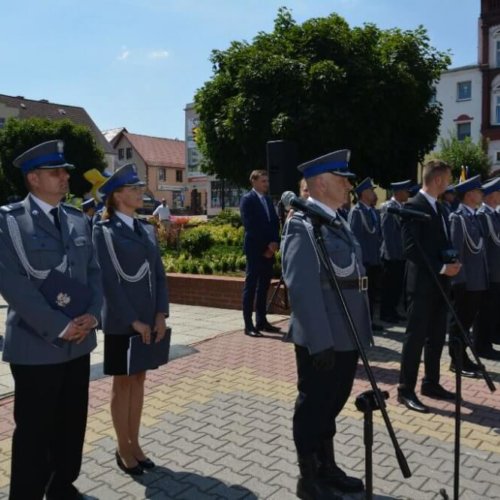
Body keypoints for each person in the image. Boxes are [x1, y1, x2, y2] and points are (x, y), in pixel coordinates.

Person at [0, 140, 102, 500]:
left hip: (79, 344)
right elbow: (13, 285)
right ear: (33, 179)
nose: (64, 178)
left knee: (72, 424)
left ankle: (62, 486)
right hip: (36, 345)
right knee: (34, 431)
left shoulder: (76, 218)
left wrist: (94, 314)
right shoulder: (9, 222)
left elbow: (94, 272)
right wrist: (60, 326)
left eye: (65, 172)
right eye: (55, 172)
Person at [281, 149, 372, 499]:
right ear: (320, 183)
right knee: (313, 407)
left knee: (332, 405)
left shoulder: (336, 220)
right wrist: (319, 342)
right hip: (323, 336)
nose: (349, 185)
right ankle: (309, 479)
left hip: (347, 332)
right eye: (343, 180)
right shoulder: (301, 225)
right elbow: (302, 289)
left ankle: (327, 467)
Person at [92, 163, 169, 476]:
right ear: (118, 195)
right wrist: (133, 321)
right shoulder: (104, 231)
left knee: (139, 379)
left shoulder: (146, 228)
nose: (141, 192)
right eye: (135, 189)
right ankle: (122, 447)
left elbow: (160, 275)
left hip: (148, 316)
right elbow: (109, 281)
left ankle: (135, 443)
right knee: (122, 383)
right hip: (122, 320)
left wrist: (160, 313)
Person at [398, 160, 461, 413]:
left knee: (436, 337)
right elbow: (412, 249)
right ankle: (405, 390)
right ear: (437, 180)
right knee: (415, 338)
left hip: (440, 284)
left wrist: (451, 261)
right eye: (447, 179)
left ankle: (431, 383)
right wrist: (441, 268)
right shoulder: (413, 206)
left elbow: (438, 243)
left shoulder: (440, 207)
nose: (449, 184)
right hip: (423, 285)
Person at [448, 175, 489, 376]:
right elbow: (456, 251)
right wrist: (458, 281)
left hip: (477, 279)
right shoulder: (458, 218)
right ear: (470, 194)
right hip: (465, 281)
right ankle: (457, 360)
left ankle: (463, 356)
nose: (482, 194)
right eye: (479, 191)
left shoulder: (473, 217)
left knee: (468, 321)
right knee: (460, 322)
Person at [240, 170, 281, 336]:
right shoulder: (247, 200)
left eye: (267, 181)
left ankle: (262, 321)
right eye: (263, 181)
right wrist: (266, 247)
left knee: (264, 287)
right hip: (255, 250)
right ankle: (249, 325)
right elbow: (250, 226)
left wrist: (274, 243)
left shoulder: (268, 200)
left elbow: (274, 223)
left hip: (269, 250)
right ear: (254, 182)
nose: (266, 184)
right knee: (251, 287)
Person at [348, 178, 383, 331]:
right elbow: (355, 239)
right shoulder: (357, 212)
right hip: (364, 260)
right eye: (370, 190)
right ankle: (362, 322)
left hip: (374, 258)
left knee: (372, 292)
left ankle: (369, 320)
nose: (373, 193)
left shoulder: (371, 212)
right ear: (363, 194)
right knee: (363, 293)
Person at [379, 180, 413, 323]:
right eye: (406, 191)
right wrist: (392, 254)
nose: (408, 194)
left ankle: (392, 311)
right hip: (391, 255)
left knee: (397, 287)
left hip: (400, 254)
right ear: (398, 192)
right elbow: (387, 234)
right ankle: (385, 313)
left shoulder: (400, 207)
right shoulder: (389, 208)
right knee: (389, 286)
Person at [476, 177, 500, 359]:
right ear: (492, 195)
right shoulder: (483, 215)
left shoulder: (493, 214)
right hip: (490, 270)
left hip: (496, 270)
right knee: (484, 310)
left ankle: (490, 340)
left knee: (493, 309)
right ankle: (482, 346)